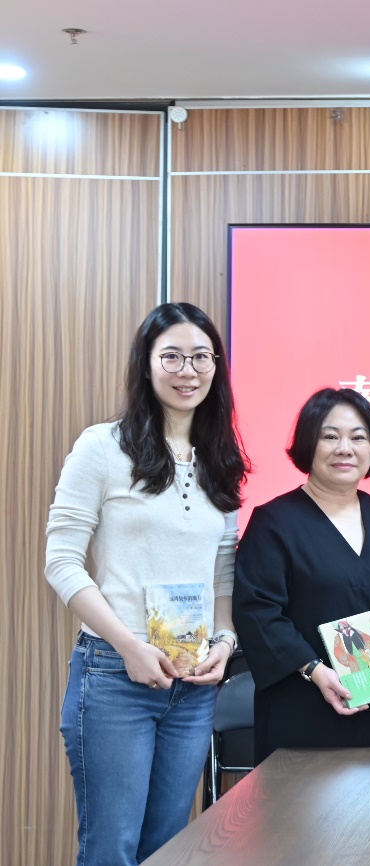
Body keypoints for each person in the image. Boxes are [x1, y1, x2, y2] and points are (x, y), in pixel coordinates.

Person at [46, 302, 248, 866]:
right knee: (112, 849)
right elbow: (61, 562)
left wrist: (225, 641)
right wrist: (128, 646)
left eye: (201, 357)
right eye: (172, 357)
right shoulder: (102, 446)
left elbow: (223, 570)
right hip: (116, 677)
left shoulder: (220, 458)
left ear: (216, 366)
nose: (189, 371)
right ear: (147, 363)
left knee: (167, 849)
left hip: (193, 681)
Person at [233, 388, 370, 764]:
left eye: (358, 437)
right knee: (299, 800)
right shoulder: (274, 522)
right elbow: (256, 610)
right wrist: (313, 670)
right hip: (301, 704)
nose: (345, 449)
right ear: (308, 443)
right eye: (330, 436)